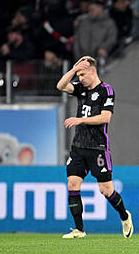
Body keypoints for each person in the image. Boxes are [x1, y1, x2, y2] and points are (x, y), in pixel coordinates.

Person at [55, 56, 133, 239]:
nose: (80, 78)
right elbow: (60, 86)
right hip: (78, 147)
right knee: (73, 184)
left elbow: (105, 117)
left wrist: (80, 119)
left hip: (98, 148)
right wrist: (74, 70)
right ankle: (79, 230)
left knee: (106, 190)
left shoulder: (106, 90)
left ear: (93, 71)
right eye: (78, 75)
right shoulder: (81, 89)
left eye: (83, 74)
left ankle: (124, 215)